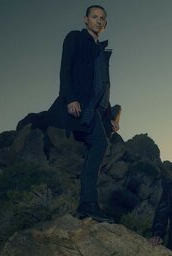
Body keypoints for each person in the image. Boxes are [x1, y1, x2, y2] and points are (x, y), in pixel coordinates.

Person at [46, 5, 120, 222]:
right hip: (79, 104)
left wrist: (109, 118)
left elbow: (101, 87)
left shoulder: (101, 50)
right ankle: (88, 203)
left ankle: (85, 206)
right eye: (94, 17)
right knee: (100, 144)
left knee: (96, 147)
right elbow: (64, 69)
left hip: (96, 109)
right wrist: (70, 98)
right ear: (86, 20)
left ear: (105, 24)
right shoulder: (75, 38)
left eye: (102, 18)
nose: (98, 21)